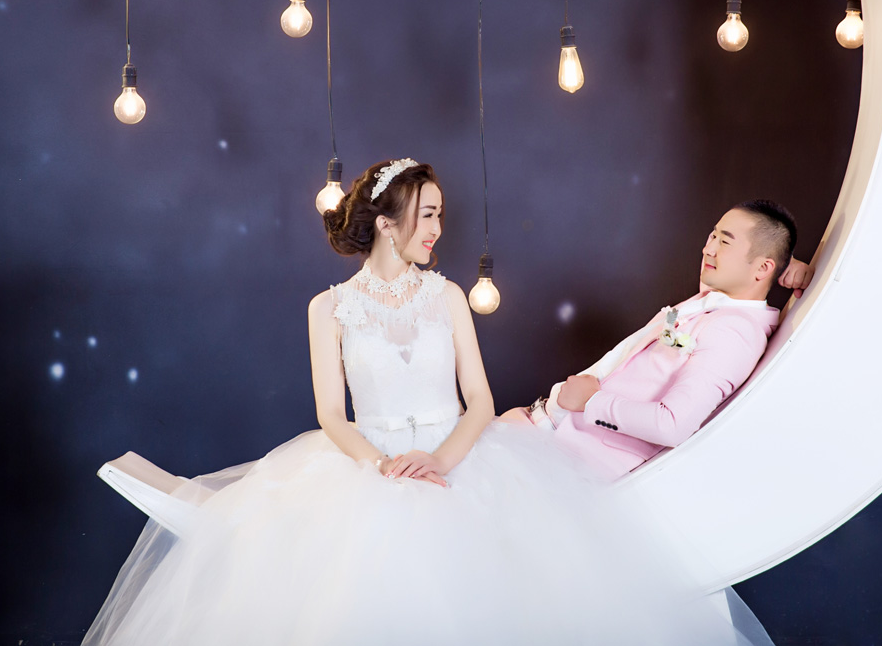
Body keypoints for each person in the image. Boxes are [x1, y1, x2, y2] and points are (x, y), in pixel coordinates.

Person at [82, 160, 772, 646]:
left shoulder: (447, 296)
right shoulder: (328, 308)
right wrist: (381, 467)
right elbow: (330, 414)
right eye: (430, 214)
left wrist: (439, 461)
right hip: (367, 461)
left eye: (441, 214)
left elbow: (481, 400)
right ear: (387, 222)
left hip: (461, 457)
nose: (440, 227)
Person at [501, 200, 809, 481]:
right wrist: (785, 264)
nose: (708, 249)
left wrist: (592, 402)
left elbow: (672, 424)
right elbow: (752, 267)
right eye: (712, 235)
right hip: (533, 428)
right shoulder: (717, 299)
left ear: (762, 267)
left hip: (556, 456)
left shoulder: (734, 332)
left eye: (724, 242)